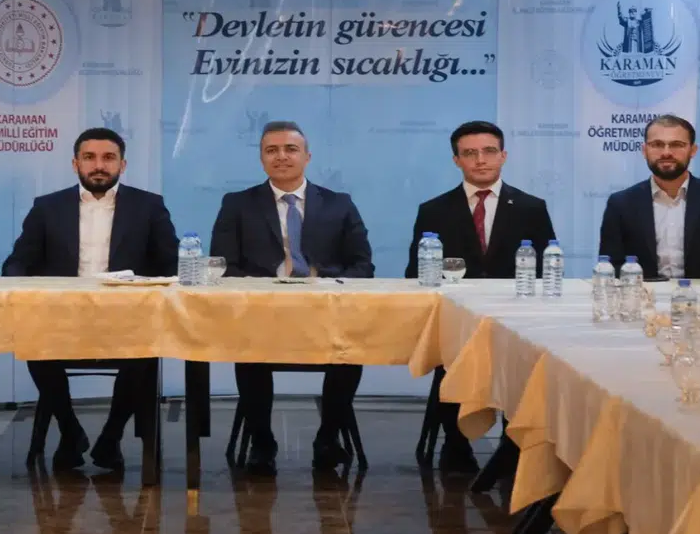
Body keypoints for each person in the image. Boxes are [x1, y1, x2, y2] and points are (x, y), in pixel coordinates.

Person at [2, 127, 178, 471]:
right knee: (34, 343)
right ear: (75, 164)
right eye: (89, 157)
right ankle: (70, 431)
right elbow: (18, 261)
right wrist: (18, 282)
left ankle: (111, 436)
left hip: (126, 318)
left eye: (108, 158)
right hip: (62, 317)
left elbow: (171, 262)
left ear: (122, 165)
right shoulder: (47, 207)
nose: (99, 165)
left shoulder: (149, 206)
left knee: (144, 351)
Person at [210, 120, 374, 476]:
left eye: (290, 149)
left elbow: (363, 265)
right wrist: (263, 290)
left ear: (307, 157)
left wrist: (327, 285)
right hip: (262, 312)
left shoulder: (339, 204)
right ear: (261, 158)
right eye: (272, 150)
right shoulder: (238, 204)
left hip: (325, 311)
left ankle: (327, 439)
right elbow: (222, 265)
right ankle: (262, 441)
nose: (281, 157)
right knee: (250, 351)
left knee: (350, 352)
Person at [406, 120, 556, 473]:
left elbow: (546, 269)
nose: (481, 160)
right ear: (456, 160)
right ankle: (455, 443)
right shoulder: (434, 210)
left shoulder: (531, 207)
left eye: (489, 151)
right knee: (449, 361)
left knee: (525, 367)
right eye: (470, 153)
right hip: (458, 321)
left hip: (517, 319)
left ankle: (513, 443)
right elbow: (415, 273)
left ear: (503, 156)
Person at [598, 114, 700, 279]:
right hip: (643, 293)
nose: (666, 153)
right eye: (657, 145)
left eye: (677, 145)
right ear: (644, 151)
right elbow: (612, 264)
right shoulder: (621, 204)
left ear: (693, 150)